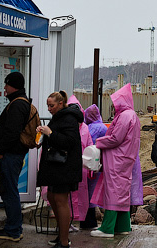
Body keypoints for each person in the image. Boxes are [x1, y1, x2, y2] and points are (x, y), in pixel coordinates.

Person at [90, 84, 141, 238]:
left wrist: (98, 142)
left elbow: (115, 138)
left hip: (116, 160)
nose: (114, 106)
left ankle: (107, 228)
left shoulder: (124, 116)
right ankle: (123, 226)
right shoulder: (133, 116)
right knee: (122, 193)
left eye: (115, 102)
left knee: (112, 192)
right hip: (126, 159)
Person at [36, 91, 83, 248]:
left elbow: (69, 142)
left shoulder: (69, 118)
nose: (49, 109)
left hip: (64, 167)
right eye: (47, 105)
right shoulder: (59, 117)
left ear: (61, 104)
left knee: (61, 201)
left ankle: (64, 241)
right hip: (56, 167)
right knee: (52, 196)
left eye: (52, 105)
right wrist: (43, 135)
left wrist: (50, 133)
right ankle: (61, 236)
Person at [0, 71, 32, 242]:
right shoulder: (20, 103)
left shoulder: (17, 105)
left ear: (13, 85)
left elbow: (11, 133)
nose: (4, 88)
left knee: (10, 191)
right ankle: (12, 227)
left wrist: (1, 150)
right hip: (12, 155)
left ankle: (13, 230)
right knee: (8, 190)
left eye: (6, 84)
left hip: (10, 156)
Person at [66, 96, 92, 230]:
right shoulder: (64, 126)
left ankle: (71, 221)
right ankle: (65, 222)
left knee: (78, 197)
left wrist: (90, 166)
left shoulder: (85, 128)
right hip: (66, 167)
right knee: (66, 196)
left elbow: (90, 147)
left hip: (80, 168)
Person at [80, 104, 107, 229]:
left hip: (88, 164)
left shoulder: (88, 128)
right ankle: (91, 222)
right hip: (99, 164)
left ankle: (87, 221)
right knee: (94, 193)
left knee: (87, 193)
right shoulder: (102, 127)